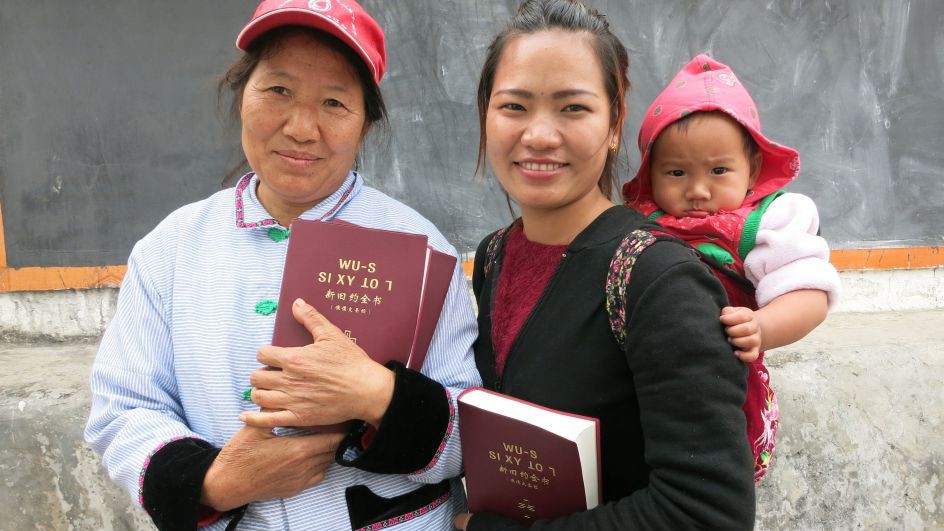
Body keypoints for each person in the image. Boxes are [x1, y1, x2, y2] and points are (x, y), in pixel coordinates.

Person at [84, 1, 480, 530]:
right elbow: (124, 410)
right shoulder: (171, 249)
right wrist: (218, 481)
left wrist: (380, 397)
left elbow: (472, 436)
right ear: (241, 95)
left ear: (365, 123)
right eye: (278, 90)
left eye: (334, 102)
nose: (301, 127)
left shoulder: (422, 250)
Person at [455, 1, 756, 529]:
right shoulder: (495, 255)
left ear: (616, 124)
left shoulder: (659, 281)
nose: (540, 136)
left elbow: (708, 513)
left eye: (573, 108)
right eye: (514, 106)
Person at [623, 54, 840, 366]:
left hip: (727, 376)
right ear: (649, 174)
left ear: (751, 171)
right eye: (676, 173)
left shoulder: (767, 223)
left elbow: (810, 294)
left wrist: (762, 327)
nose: (698, 191)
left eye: (719, 170)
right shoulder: (637, 223)